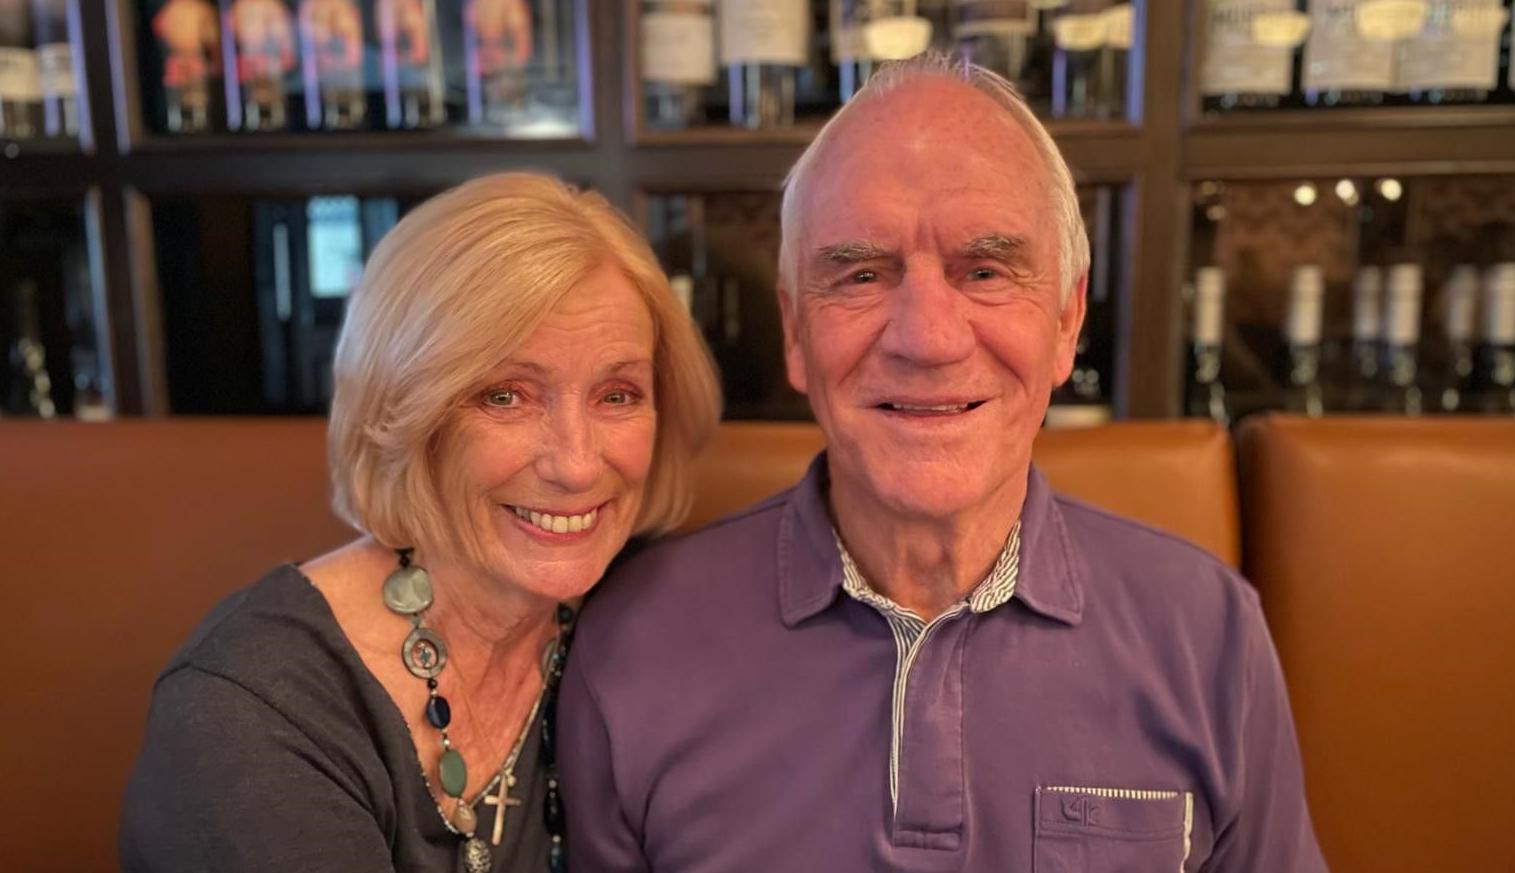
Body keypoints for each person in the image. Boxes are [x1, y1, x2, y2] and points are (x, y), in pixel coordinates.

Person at [558, 55, 1328, 871]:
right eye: (860, 274)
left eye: (985, 271)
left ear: (1067, 320)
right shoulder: (634, 643)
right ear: (793, 331)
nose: (927, 337)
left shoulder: (1209, 635)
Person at [121, 173, 721, 872]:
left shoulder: (655, 611)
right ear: (402, 413)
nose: (578, 465)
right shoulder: (248, 716)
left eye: (618, 394)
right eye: (506, 395)